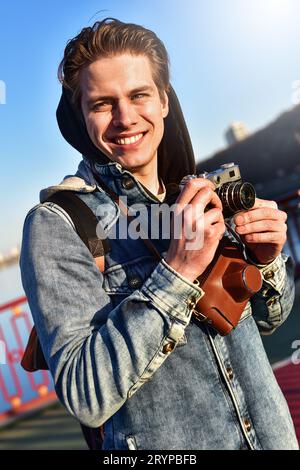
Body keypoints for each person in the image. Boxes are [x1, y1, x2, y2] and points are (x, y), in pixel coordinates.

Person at [20, 18, 298, 450]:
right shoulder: (59, 223)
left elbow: (268, 320)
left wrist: (267, 262)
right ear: (81, 116)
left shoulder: (203, 193)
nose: (125, 118)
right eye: (102, 104)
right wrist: (178, 269)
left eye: (138, 95)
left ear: (164, 101)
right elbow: (85, 396)